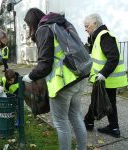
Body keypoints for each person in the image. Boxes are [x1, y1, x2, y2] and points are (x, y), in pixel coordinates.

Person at [23, 8, 87, 150]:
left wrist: (30, 76)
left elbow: (45, 64)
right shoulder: (61, 23)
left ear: (33, 22)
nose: (29, 28)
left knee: (60, 122)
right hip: (80, 76)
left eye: (28, 25)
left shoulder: (43, 29)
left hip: (63, 83)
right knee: (75, 116)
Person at [83, 13, 128, 138]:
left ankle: (89, 122)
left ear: (95, 24)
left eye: (87, 26)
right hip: (107, 79)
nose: (85, 29)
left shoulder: (104, 36)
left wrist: (103, 74)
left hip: (105, 78)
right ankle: (113, 128)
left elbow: (113, 57)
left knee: (96, 100)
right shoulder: (99, 36)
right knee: (107, 102)